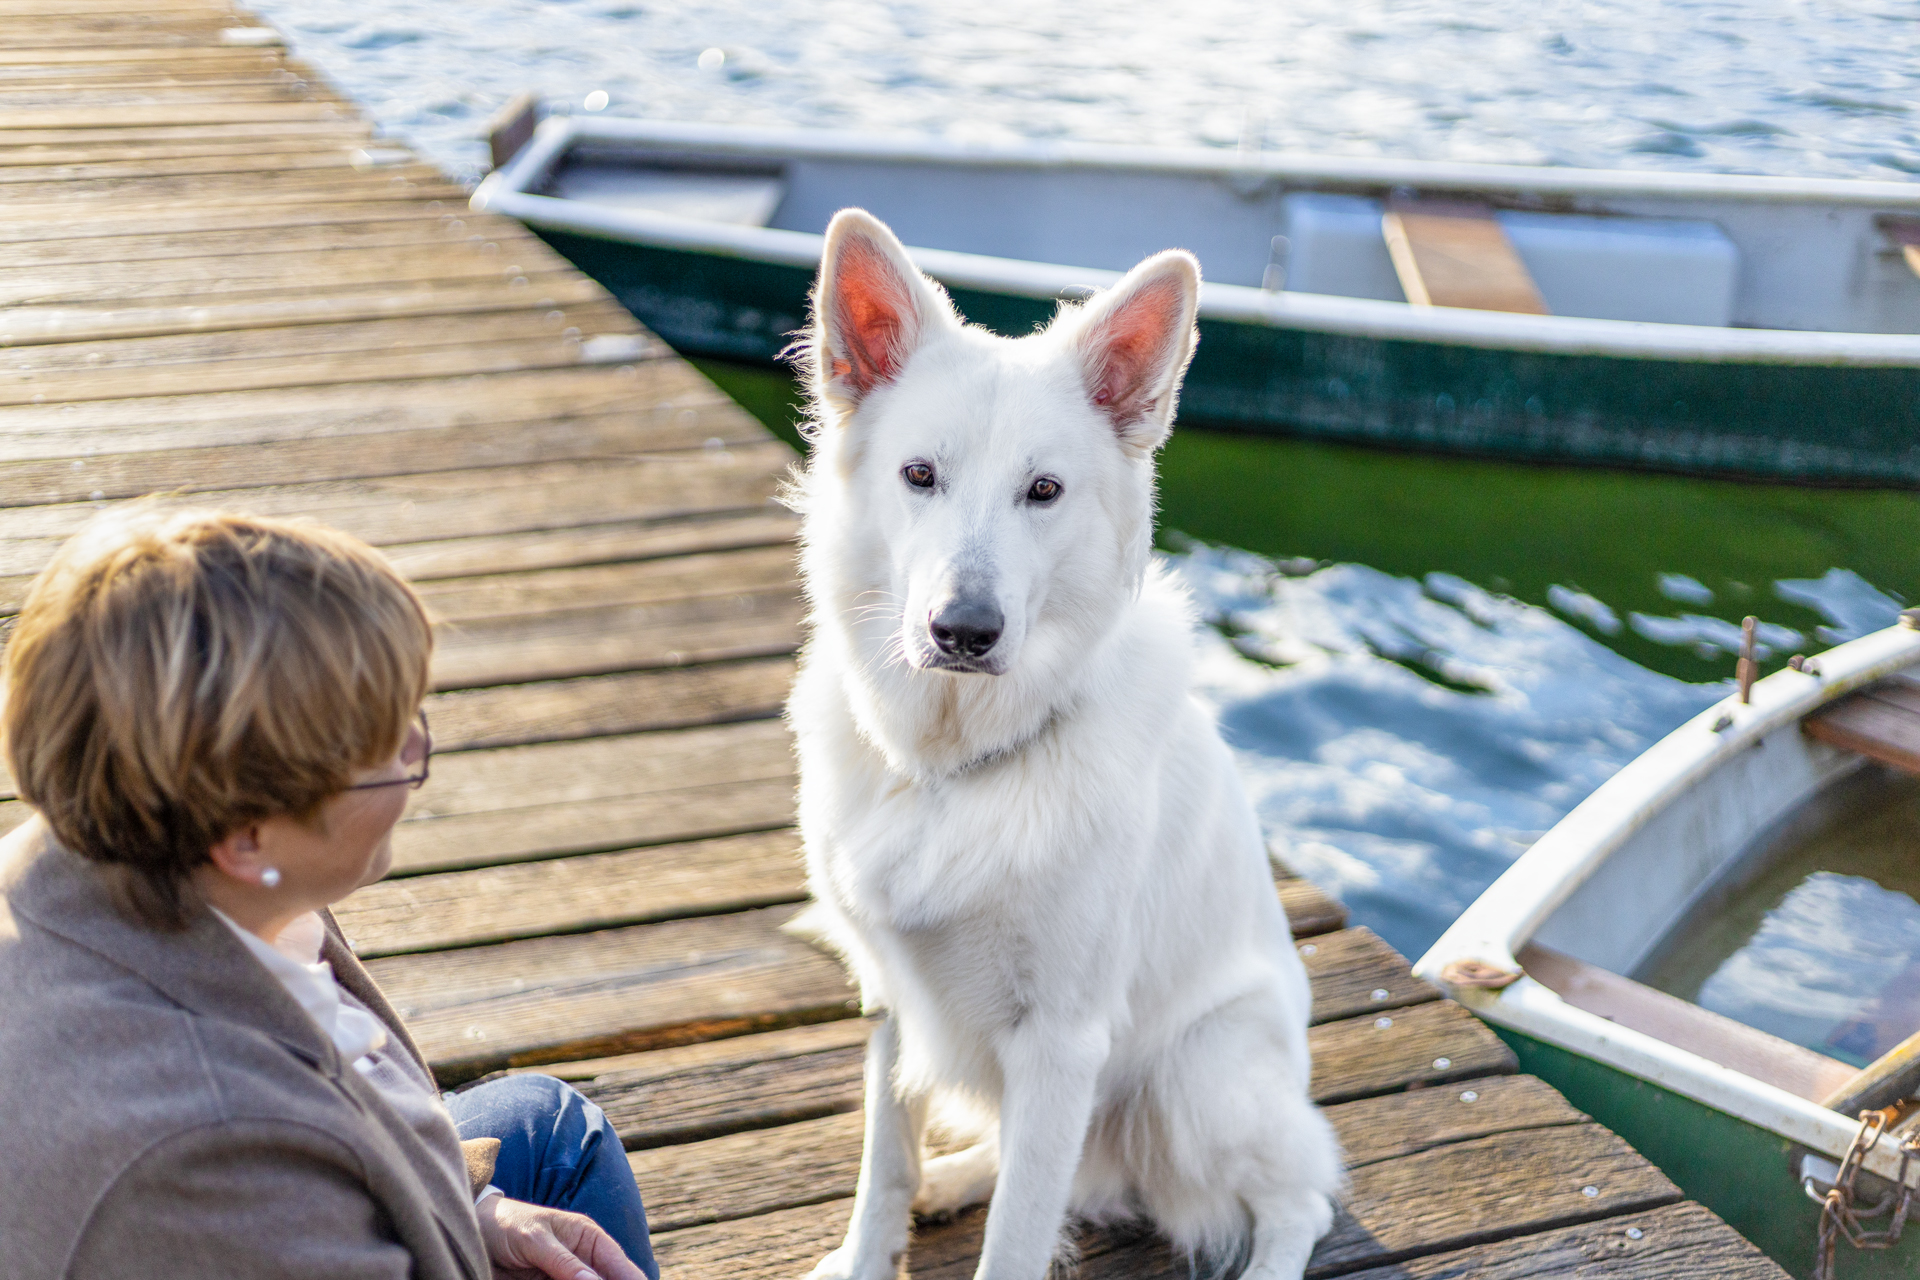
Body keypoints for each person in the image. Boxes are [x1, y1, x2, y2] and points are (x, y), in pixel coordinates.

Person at [0, 508, 659, 1280]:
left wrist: (471, 1211)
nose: (417, 754)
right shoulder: (212, 1157)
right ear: (247, 837)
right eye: (386, 752)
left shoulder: (97, 848)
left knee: (542, 1124)